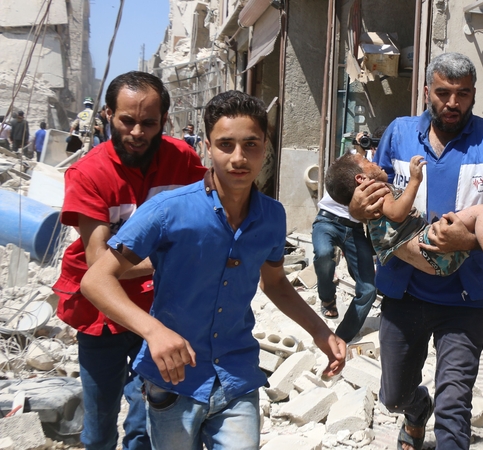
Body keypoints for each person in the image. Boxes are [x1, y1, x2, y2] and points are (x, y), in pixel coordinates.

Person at [80, 90, 347, 449]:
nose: (239, 158)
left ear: (265, 146)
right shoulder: (167, 210)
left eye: (250, 144)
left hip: (237, 376)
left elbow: (276, 284)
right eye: (226, 145)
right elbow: (96, 279)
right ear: (207, 147)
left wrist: (321, 332)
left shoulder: (272, 216)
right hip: (174, 379)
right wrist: (154, 332)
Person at [349, 52, 483, 450]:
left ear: (473, 95)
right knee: (393, 394)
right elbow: (373, 199)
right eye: (444, 92)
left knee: (455, 404)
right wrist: (357, 210)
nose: (453, 103)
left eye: (462, 94)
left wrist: (464, 240)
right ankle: (416, 413)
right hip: (404, 289)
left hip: (466, 297)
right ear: (427, 90)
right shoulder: (398, 133)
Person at [52, 71, 207, 450]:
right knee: (100, 424)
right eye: (127, 120)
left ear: (164, 122)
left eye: (148, 123)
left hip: (160, 307)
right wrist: (168, 259)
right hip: (101, 311)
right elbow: (99, 264)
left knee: (148, 419)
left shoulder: (183, 160)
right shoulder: (89, 172)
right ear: (107, 115)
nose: (137, 132)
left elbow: (204, 214)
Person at [328, 152, 483, 287]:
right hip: (425, 244)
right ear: (361, 178)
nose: (375, 162)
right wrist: (415, 180)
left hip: (431, 258)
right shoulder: (377, 191)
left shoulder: (369, 201)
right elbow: (397, 213)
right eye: (368, 163)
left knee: (481, 215)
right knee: (480, 212)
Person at [311, 186, 378, 342]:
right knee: (324, 254)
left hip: (355, 230)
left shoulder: (381, 174)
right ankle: (327, 299)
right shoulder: (350, 163)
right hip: (327, 219)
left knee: (368, 290)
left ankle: (341, 338)